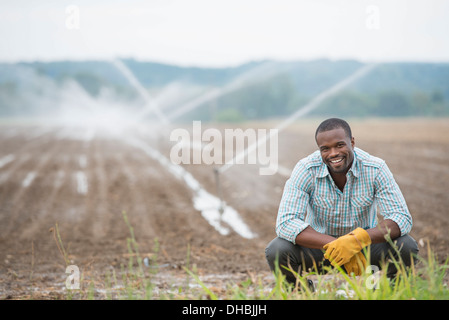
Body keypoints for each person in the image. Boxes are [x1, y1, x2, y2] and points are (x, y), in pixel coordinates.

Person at [265, 118, 419, 285]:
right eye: (325, 149)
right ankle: (302, 292)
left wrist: (356, 241)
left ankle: (387, 292)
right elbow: (285, 223)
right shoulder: (306, 169)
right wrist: (338, 245)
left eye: (339, 145)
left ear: (352, 142)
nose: (333, 153)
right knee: (277, 250)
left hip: (364, 250)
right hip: (321, 251)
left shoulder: (375, 168)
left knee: (406, 245)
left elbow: (401, 217)